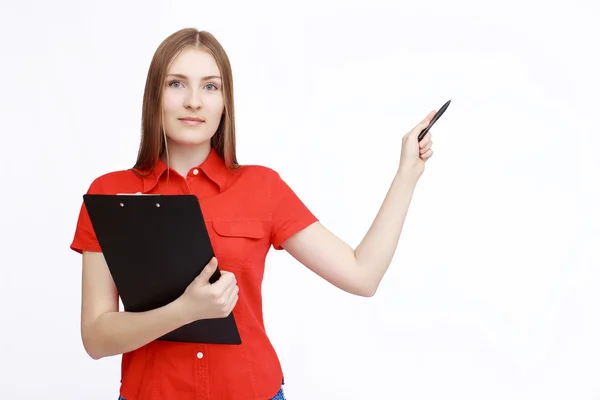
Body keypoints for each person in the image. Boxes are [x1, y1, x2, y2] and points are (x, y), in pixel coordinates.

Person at [70, 28, 436, 400]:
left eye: (210, 87)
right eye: (177, 84)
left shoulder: (262, 188)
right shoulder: (110, 193)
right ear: (154, 97)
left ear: (225, 102)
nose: (194, 101)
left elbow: (362, 275)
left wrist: (407, 174)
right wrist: (183, 311)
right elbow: (96, 338)